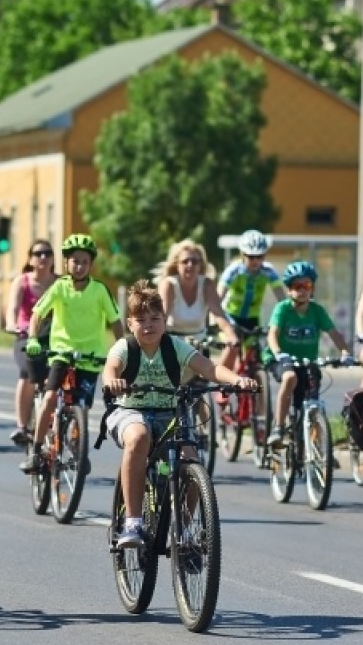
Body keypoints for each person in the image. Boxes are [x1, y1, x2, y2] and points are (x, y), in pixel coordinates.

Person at [104, 280, 257, 549]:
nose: (149, 325)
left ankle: (184, 528)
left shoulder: (175, 346)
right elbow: (111, 369)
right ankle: (133, 522)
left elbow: (209, 369)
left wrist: (237, 379)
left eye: (155, 318)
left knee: (192, 459)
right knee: (138, 437)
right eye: (141, 320)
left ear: (165, 320)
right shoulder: (125, 347)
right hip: (130, 411)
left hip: (169, 413)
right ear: (130, 324)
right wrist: (113, 381)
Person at [20, 234, 123, 474]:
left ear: (91, 265)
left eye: (84, 262)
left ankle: (79, 449)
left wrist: (123, 349)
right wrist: (34, 338)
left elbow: (115, 322)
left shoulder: (99, 290)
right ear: (66, 263)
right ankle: (36, 451)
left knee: (82, 408)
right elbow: (38, 314)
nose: (79, 266)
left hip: (90, 357)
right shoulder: (59, 287)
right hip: (61, 354)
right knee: (48, 399)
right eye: (74, 261)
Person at [264, 261, 353, 449]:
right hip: (283, 359)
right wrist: (279, 353)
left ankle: (319, 449)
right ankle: (278, 427)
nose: (302, 291)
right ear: (289, 290)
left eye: (307, 286)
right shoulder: (283, 309)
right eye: (297, 286)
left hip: (307, 362)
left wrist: (345, 352)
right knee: (289, 378)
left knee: (313, 402)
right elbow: (272, 334)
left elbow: (334, 334)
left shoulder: (317, 311)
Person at [216, 229, 287, 394]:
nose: (255, 261)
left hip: (252, 319)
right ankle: (221, 386)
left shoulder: (268, 271)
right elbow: (217, 300)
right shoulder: (233, 270)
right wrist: (219, 322)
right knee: (233, 346)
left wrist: (281, 321)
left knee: (255, 364)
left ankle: (260, 413)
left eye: (260, 256)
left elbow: (282, 301)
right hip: (231, 317)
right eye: (250, 256)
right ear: (242, 254)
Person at [4, 239, 58, 446]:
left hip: (54, 337)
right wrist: (12, 325)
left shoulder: (60, 282)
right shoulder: (23, 281)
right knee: (27, 374)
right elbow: (13, 309)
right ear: (30, 259)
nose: (43, 257)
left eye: (47, 253)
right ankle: (22, 426)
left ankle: (59, 419)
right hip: (27, 335)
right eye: (38, 254)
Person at [155, 239, 238, 344]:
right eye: (185, 261)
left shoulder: (207, 284)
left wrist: (231, 336)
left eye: (194, 261)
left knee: (231, 350)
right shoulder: (169, 285)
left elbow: (218, 313)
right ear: (177, 264)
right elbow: (162, 315)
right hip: (173, 341)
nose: (190, 265)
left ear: (200, 265)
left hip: (199, 342)